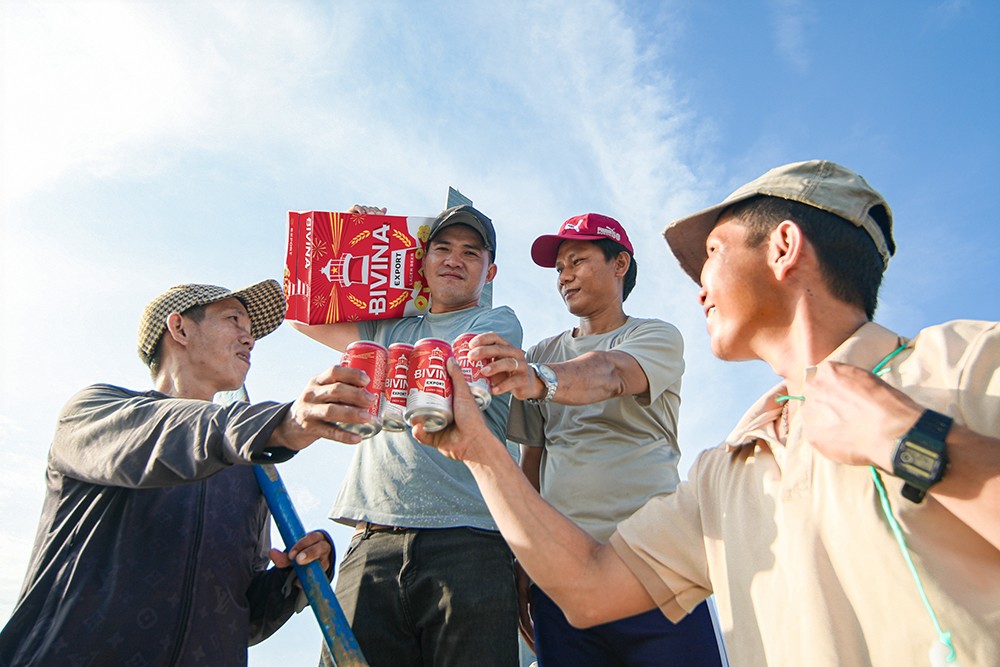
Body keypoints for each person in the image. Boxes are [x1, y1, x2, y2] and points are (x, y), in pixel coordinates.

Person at [416, 161, 1000, 666]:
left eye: (713, 253)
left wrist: (911, 439)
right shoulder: (727, 475)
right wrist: (480, 453)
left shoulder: (965, 363)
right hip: (592, 561)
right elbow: (590, 586)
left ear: (784, 247)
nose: (699, 283)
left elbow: (611, 373)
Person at [0, 280, 376, 667]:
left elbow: (239, 618)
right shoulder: (94, 414)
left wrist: (292, 579)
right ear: (179, 328)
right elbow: (167, 434)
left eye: (251, 330)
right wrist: (281, 423)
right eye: (234, 320)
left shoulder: (253, 472)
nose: (249, 339)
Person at [475, 212, 722, 665]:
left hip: (657, 563)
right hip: (564, 571)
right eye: (559, 268)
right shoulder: (542, 354)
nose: (565, 275)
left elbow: (611, 373)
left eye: (577, 260)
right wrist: (526, 560)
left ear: (620, 263)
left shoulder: (654, 336)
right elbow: (534, 458)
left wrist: (538, 378)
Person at [294, 204, 524, 667]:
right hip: (372, 540)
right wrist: (359, 236)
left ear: (489, 270)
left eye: (470, 252)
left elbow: (452, 374)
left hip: (470, 541)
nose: (454, 259)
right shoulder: (385, 327)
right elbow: (302, 314)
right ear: (422, 261)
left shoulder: (496, 322)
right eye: (442, 248)